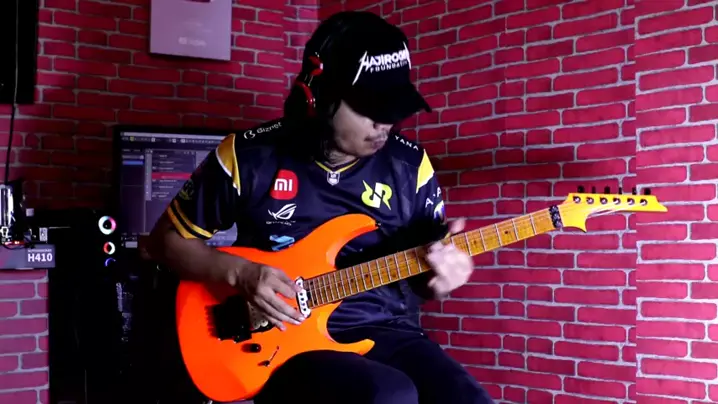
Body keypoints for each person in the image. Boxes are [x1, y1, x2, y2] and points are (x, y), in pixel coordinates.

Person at [147, 10, 496, 404]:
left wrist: (440, 281)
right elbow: (164, 243)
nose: (385, 123)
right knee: (388, 395)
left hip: (387, 329)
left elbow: (424, 277)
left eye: (395, 108)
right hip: (287, 339)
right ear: (317, 97)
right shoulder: (247, 157)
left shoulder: (412, 167)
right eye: (370, 107)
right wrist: (241, 273)